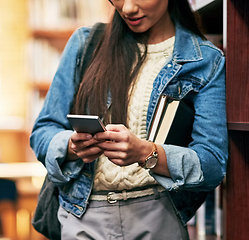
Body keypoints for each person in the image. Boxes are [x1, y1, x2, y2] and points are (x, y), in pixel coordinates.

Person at [30, 0, 228, 239]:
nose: (127, 9)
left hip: (158, 216)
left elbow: (212, 164)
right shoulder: (86, 44)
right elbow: (43, 131)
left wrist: (147, 153)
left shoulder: (206, 60)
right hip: (82, 217)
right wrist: (72, 146)